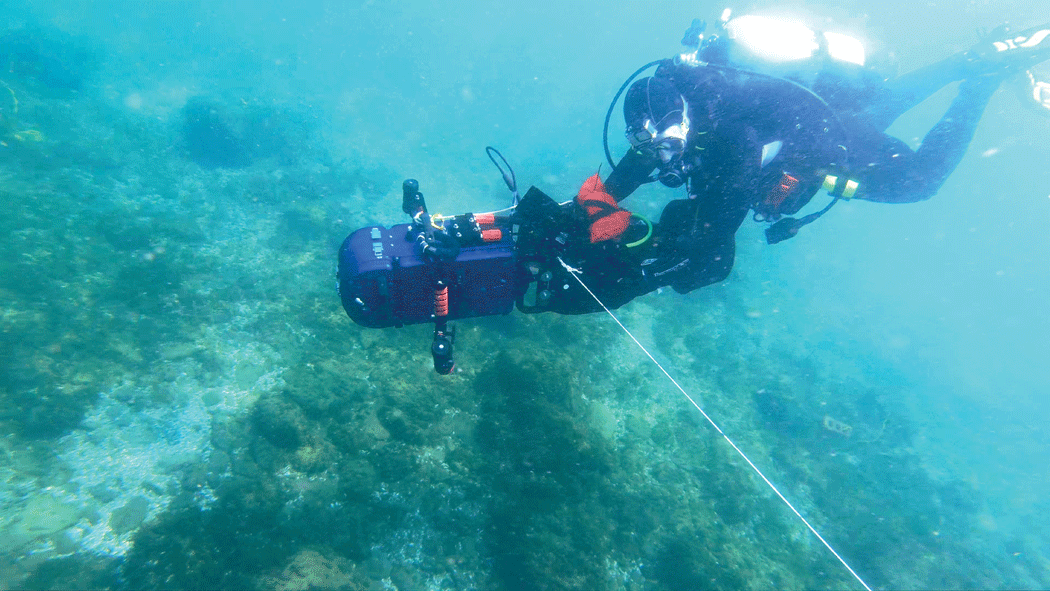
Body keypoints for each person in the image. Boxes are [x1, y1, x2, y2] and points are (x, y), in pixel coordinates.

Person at [540, 13, 1050, 315]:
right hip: (820, 110)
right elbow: (636, 166)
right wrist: (590, 206)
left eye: (660, 141)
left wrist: (643, 269)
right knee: (878, 105)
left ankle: (979, 81)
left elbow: (715, 247)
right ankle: (973, 60)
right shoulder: (679, 103)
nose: (656, 151)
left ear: (680, 122)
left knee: (918, 181)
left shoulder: (729, 136)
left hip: (824, 141)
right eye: (647, 140)